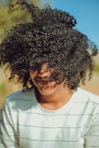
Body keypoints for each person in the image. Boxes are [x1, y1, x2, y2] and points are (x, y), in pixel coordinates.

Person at [0, 2, 99, 148]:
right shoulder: (13, 105)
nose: (43, 72)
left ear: (69, 63)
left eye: (53, 63)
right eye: (35, 63)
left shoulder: (93, 108)